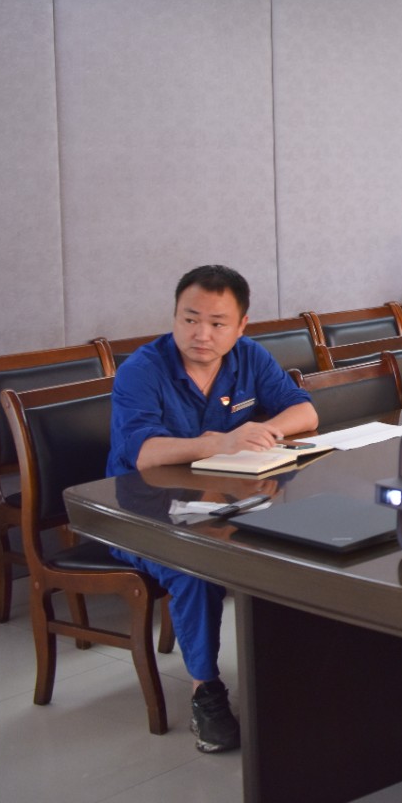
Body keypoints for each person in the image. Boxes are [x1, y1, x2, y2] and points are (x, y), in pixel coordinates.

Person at [107, 265, 318, 753]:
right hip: (142, 514)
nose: (201, 334)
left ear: (241, 325)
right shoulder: (143, 369)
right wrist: (221, 441)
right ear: (174, 317)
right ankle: (206, 691)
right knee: (195, 566)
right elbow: (145, 453)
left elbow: (304, 410)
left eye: (218, 323)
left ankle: (292, 672)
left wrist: (268, 431)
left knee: (294, 543)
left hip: (223, 500)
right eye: (190, 319)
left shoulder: (249, 357)